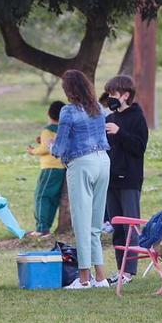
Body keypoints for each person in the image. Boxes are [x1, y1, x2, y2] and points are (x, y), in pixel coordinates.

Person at [50, 69, 112, 289]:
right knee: (96, 223)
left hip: (82, 164)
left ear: (69, 89)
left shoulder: (68, 111)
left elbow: (59, 147)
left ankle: (84, 279)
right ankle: (101, 277)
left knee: (81, 223)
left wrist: (50, 147)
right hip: (103, 161)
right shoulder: (98, 108)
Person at [102, 75, 148, 284]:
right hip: (110, 180)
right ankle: (121, 270)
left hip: (129, 179)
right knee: (117, 227)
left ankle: (129, 271)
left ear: (125, 95)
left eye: (113, 94)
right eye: (109, 94)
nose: (110, 97)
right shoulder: (110, 118)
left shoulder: (137, 117)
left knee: (131, 227)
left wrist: (120, 133)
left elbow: (139, 147)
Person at [26, 101, 66, 239]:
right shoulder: (64, 129)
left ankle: (42, 228)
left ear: (48, 113)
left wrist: (32, 151)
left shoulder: (47, 130)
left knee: (41, 196)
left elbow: (45, 149)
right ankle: (46, 227)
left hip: (49, 168)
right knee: (53, 198)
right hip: (61, 168)